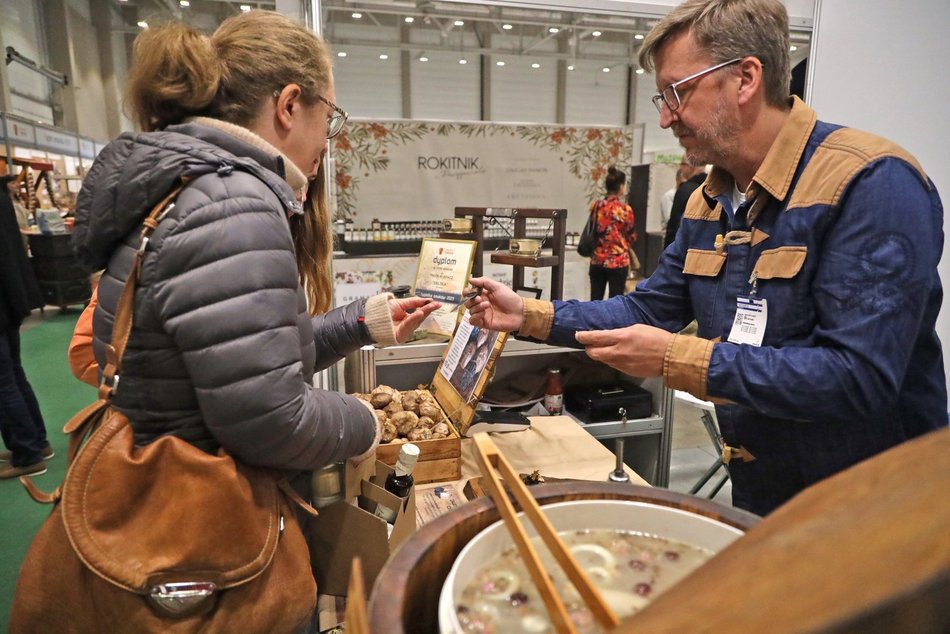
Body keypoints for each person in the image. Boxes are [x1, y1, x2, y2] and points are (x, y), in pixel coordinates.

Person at [466, 0, 947, 516]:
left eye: (678, 91)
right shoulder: (710, 199)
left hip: (872, 509)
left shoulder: (869, 182)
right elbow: (649, 309)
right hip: (765, 486)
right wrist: (529, 315)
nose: (667, 115)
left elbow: (858, 378)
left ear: (744, 79)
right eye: (662, 96)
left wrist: (678, 358)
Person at [69, 12, 439, 510]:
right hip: (200, 522)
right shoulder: (233, 207)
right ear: (289, 105)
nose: (325, 144)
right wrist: (365, 421)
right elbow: (271, 420)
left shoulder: (196, 189)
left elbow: (245, 360)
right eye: (328, 118)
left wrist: (360, 324)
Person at [0, 171, 51, 478]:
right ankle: (34, 441)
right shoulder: (4, 199)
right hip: (9, 300)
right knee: (14, 375)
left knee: (4, 382)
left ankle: (27, 453)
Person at [588, 166, 637, 300]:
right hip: (618, 261)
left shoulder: (596, 206)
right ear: (621, 186)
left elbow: (593, 229)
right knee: (615, 302)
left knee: (595, 301)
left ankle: (593, 321)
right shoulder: (625, 209)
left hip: (598, 259)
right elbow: (631, 236)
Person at [663, 161, 707, 248]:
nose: (680, 167)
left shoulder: (685, 190)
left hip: (683, 246)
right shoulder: (713, 188)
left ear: (690, 166)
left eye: (682, 164)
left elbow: (674, 225)